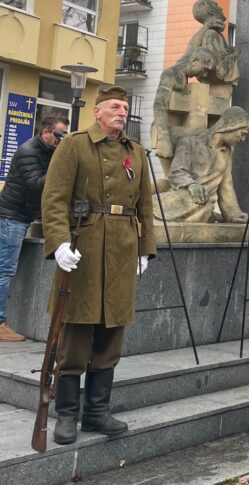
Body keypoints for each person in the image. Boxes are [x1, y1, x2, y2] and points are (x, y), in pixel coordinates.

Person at [41, 86, 157, 445]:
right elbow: (54, 197)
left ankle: (96, 413)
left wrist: (144, 249)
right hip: (83, 247)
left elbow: (145, 207)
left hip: (122, 250)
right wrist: (58, 242)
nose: (122, 112)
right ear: (98, 111)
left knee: (110, 335)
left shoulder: (135, 152)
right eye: (115, 107)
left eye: (124, 107)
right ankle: (67, 415)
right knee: (75, 334)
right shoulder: (74, 145)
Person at [0, 116, 70, 342]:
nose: (60, 140)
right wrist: (61, 164)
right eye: (58, 135)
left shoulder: (48, 151)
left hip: (23, 216)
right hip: (12, 217)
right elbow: (36, 185)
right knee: (5, 270)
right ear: (45, 132)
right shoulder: (28, 151)